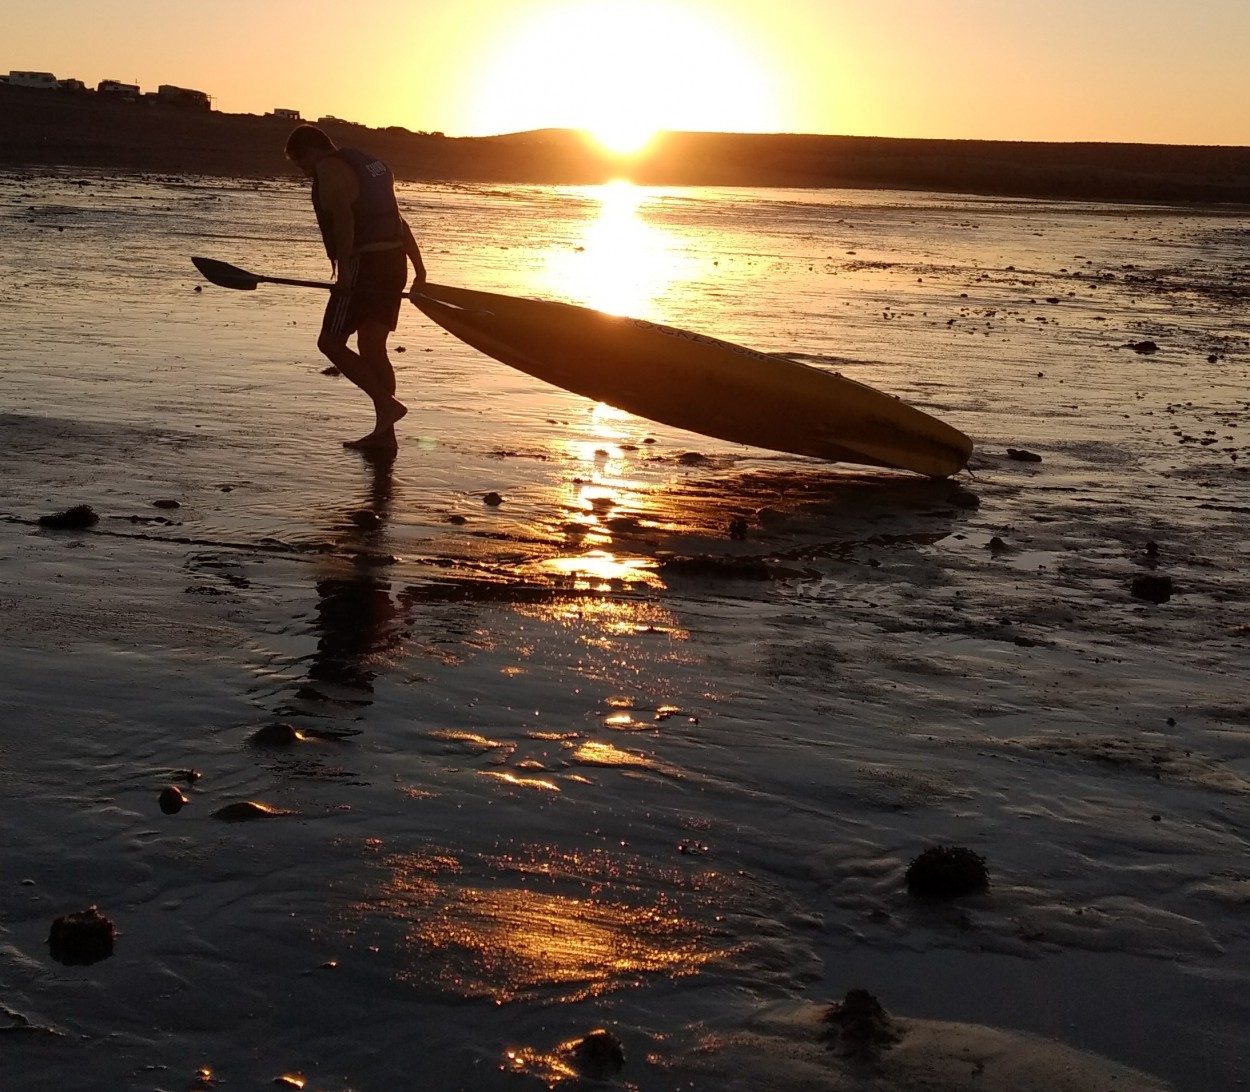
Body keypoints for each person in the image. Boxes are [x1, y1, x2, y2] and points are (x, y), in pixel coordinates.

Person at [285, 124, 426, 450]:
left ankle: (386, 404)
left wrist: (346, 276)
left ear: (310, 153)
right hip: (394, 264)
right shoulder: (367, 164)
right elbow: (397, 220)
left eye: (301, 164)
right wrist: (420, 269)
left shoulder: (330, 169)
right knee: (373, 347)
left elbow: (345, 222)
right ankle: (384, 436)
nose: (305, 173)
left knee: (330, 343)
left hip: (365, 267)